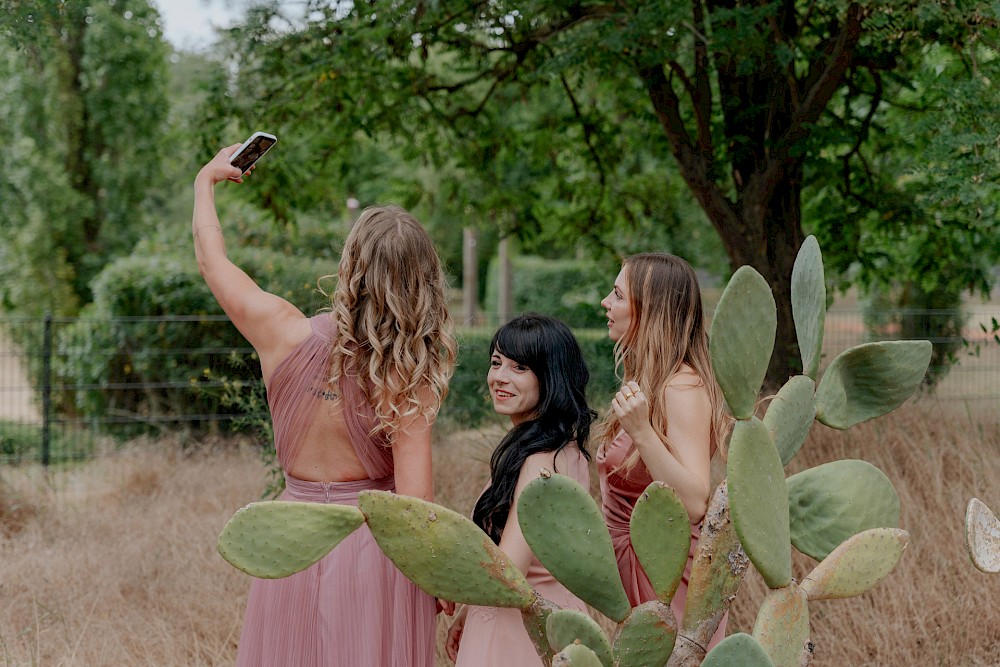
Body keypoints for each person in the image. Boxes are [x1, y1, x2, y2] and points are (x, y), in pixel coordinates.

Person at [192, 145, 457, 667]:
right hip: (374, 554)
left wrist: (205, 182)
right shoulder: (408, 375)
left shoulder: (281, 330)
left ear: (350, 265)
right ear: (421, 281)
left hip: (289, 543)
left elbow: (212, 259)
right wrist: (442, 577)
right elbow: (415, 506)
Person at [445, 314, 596, 666]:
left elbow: (510, 567)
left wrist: (447, 579)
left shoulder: (538, 461)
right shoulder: (565, 449)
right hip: (550, 620)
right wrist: (468, 612)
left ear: (550, 377)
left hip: (517, 633)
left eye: (519, 367)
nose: (500, 377)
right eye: (496, 362)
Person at [596, 252, 729, 646]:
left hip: (667, 581)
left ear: (650, 311)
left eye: (618, 295)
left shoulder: (681, 387)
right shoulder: (650, 381)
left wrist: (641, 432)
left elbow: (693, 502)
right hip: (638, 576)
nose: (606, 301)